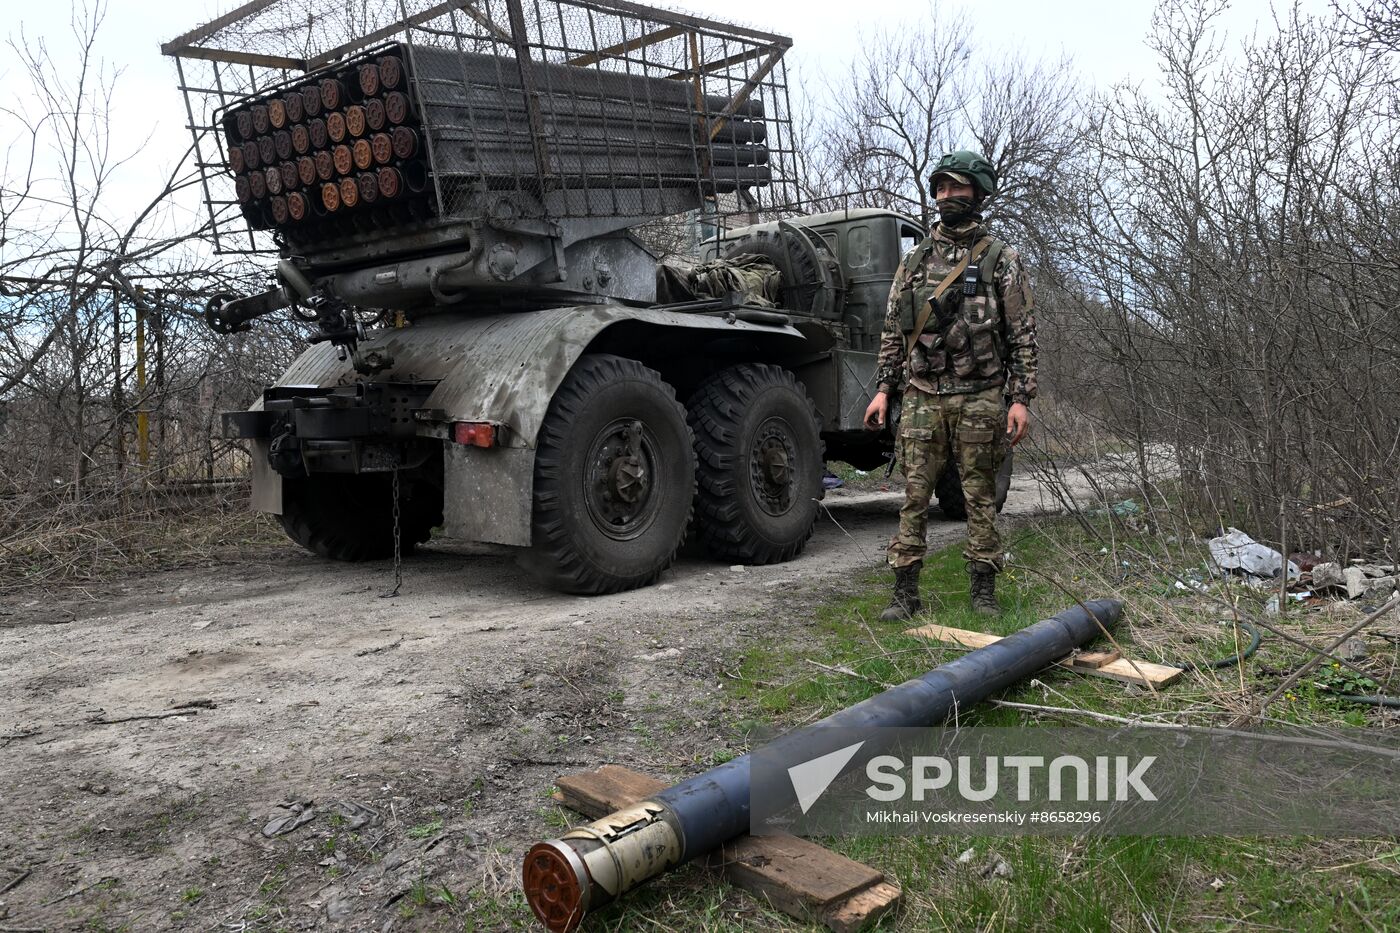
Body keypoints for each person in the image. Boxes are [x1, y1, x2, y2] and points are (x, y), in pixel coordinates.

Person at [863, 149, 1038, 620]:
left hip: (980, 395)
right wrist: (884, 389)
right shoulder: (915, 259)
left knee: (979, 496)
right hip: (922, 394)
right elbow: (893, 330)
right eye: (940, 188)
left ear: (978, 192)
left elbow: (1022, 334)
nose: (946, 196)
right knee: (913, 496)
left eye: (956, 187)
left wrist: (1019, 399)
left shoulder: (1002, 258)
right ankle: (905, 593)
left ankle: (982, 591)